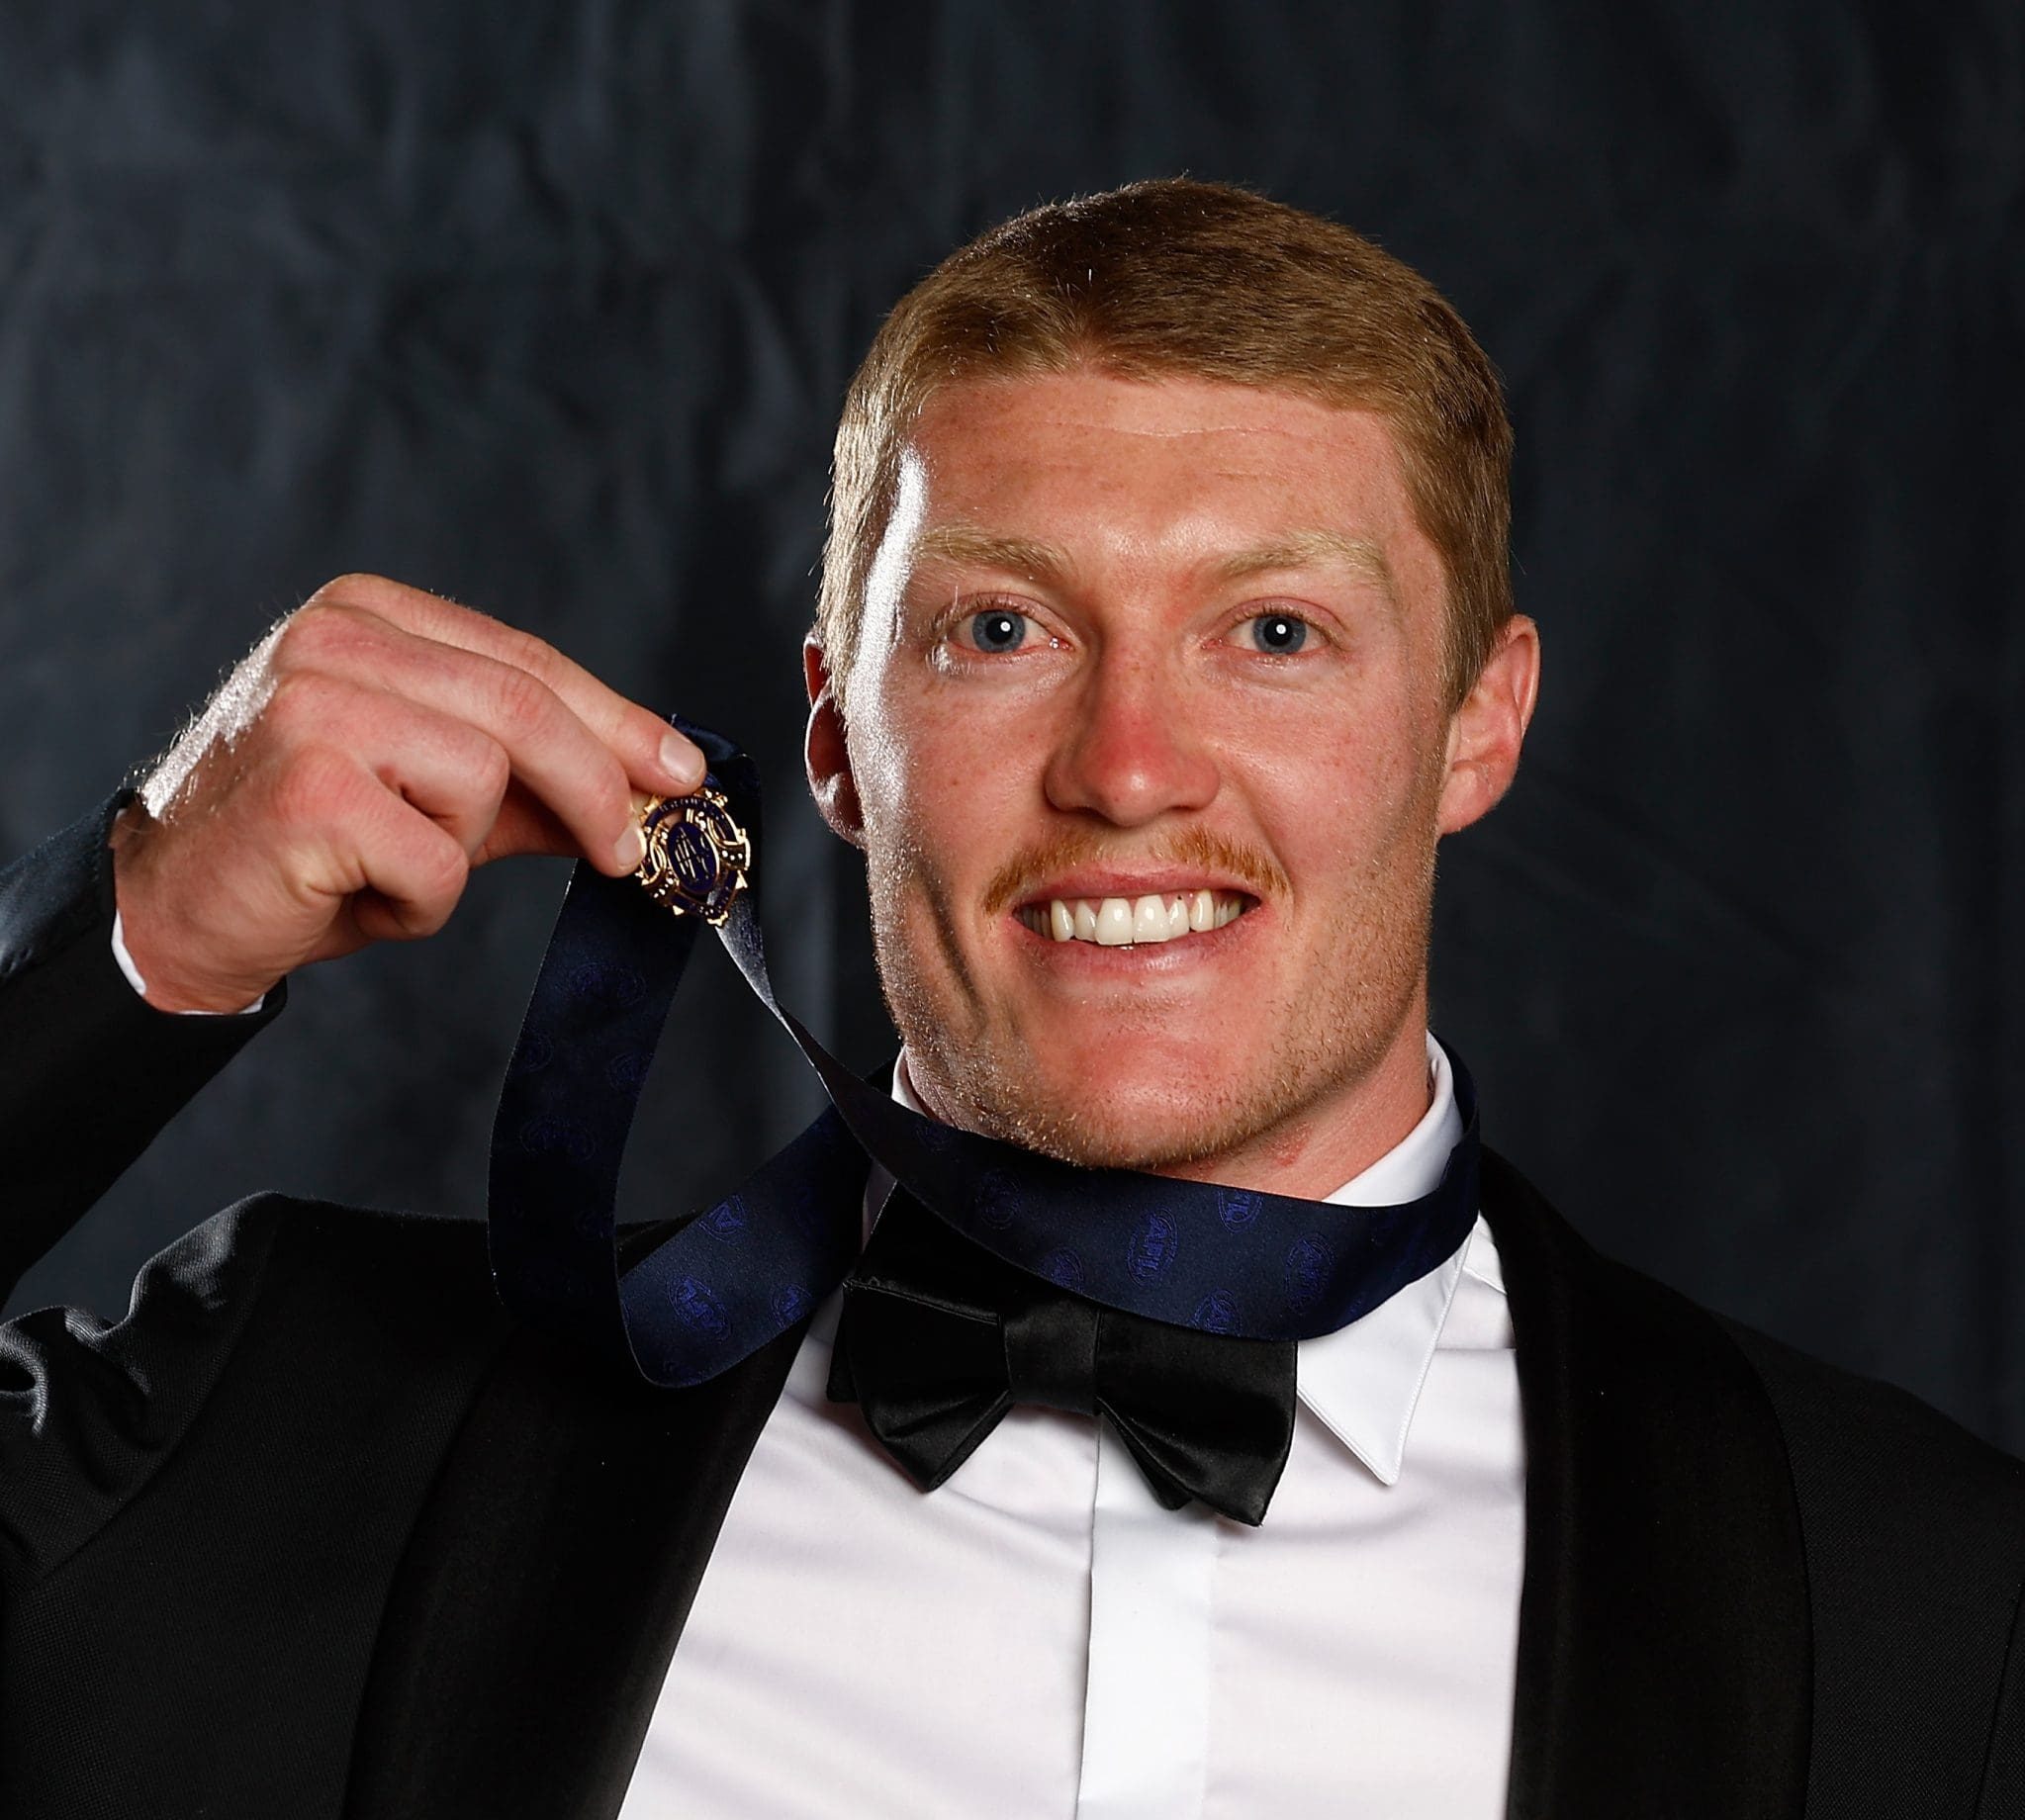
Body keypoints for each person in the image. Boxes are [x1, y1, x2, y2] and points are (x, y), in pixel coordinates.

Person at [1, 179, 2019, 1820]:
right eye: (996, 627)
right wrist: (137, 941)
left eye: (1274, 630)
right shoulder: (276, 1410)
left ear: (1472, 727)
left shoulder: (1927, 1599)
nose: (1128, 764)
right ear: (833, 738)